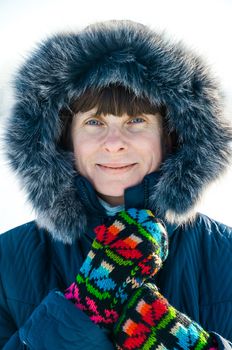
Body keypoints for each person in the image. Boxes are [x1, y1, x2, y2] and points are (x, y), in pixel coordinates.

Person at [0, 19, 231, 349]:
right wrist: (82, 311)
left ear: (171, 136)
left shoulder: (226, 255)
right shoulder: (6, 262)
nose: (114, 143)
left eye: (136, 120)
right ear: (64, 139)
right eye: (94, 122)